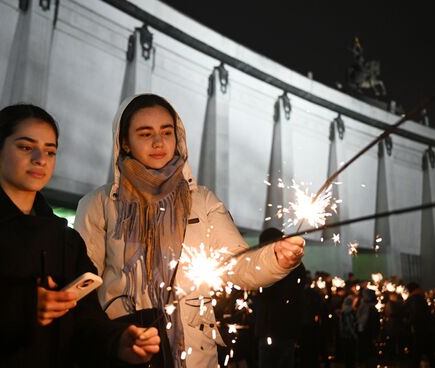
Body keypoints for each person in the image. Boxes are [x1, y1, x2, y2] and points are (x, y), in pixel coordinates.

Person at [0, 104, 159, 367]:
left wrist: (119, 341)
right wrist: (20, 307)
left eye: (50, 151)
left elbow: (85, 323)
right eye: (26, 147)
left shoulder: (66, 240)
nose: (40, 158)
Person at [74, 94, 305, 367]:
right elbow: (84, 287)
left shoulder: (202, 201)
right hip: (127, 347)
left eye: (166, 132)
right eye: (145, 133)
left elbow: (238, 265)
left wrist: (275, 258)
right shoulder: (99, 204)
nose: (159, 142)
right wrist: (111, 337)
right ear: (124, 141)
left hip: (194, 354)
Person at [253, 227, 306, 368]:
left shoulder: (291, 266)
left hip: (280, 328)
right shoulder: (296, 266)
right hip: (277, 328)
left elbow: (269, 294)